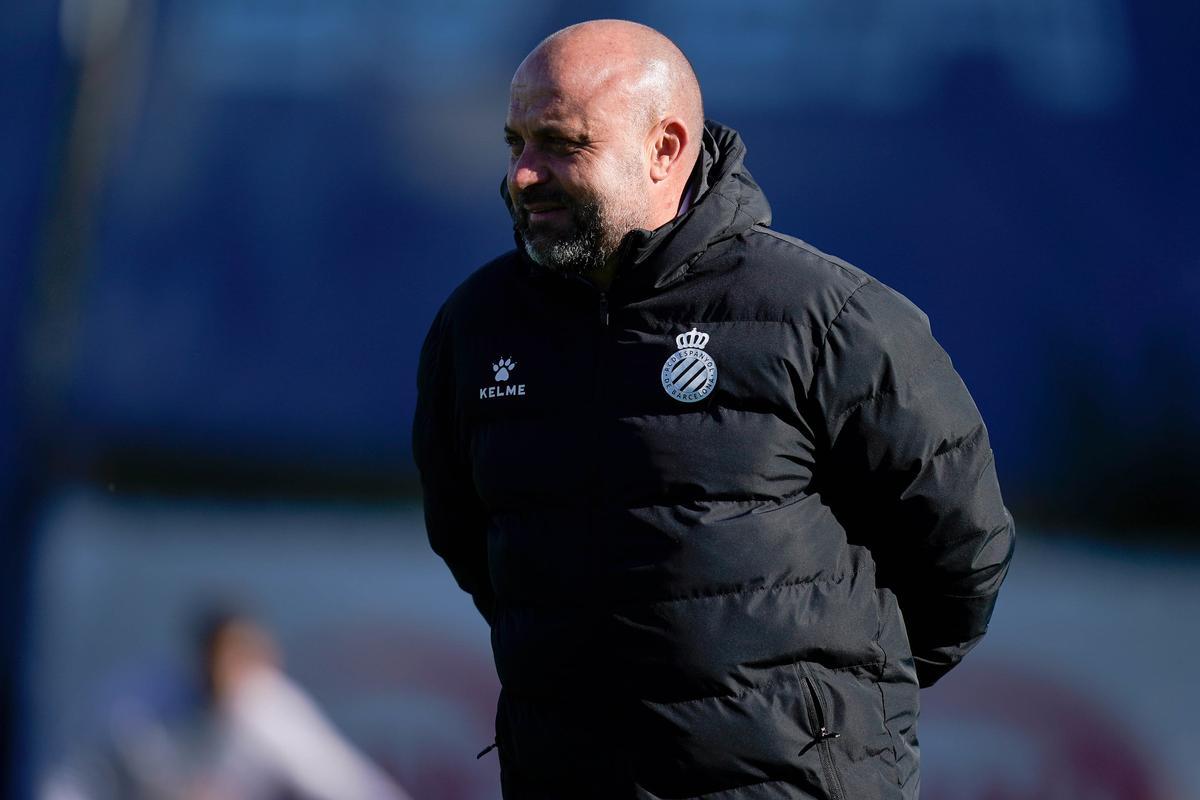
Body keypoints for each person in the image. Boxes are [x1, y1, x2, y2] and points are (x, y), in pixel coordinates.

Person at [413, 18, 1014, 799]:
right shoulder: (478, 328)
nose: (524, 175)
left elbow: (961, 552)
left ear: (665, 149)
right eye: (515, 141)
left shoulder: (826, 318)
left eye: (560, 144)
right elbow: (473, 542)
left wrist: (822, 710)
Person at [44, 609, 410, 800]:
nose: (231, 671)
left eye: (244, 655)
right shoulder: (135, 705)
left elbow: (348, 783)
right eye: (224, 655)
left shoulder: (270, 708)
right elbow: (71, 781)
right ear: (199, 656)